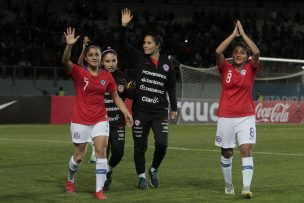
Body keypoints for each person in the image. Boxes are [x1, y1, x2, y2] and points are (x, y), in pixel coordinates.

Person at [62, 27, 133, 200]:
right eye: (91, 55)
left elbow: (115, 96)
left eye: (97, 55)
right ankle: (70, 180)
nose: (94, 57)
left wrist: (126, 112)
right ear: (86, 58)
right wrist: (69, 46)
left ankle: (99, 189)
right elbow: (65, 61)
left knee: (101, 151)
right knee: (79, 157)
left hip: (100, 119)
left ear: (100, 58)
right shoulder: (79, 73)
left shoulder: (107, 77)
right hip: (80, 120)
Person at [120, 8, 178, 190]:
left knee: (162, 143)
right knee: (140, 146)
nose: (144, 45)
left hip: (160, 111)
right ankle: (142, 176)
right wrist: (123, 27)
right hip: (140, 111)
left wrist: (174, 108)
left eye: (148, 42)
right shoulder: (139, 58)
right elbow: (124, 46)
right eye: (144, 42)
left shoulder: (167, 64)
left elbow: (171, 87)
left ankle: (154, 168)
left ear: (157, 45)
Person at [78, 39, 136, 191]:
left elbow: (134, 92)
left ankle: (108, 170)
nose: (111, 64)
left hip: (117, 123)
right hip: (101, 122)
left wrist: (128, 91)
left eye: (114, 60)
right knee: (103, 153)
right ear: (102, 62)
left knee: (119, 153)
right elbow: (80, 67)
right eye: (108, 61)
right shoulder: (96, 75)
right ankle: (102, 182)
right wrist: (84, 49)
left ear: (117, 61)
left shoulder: (123, 78)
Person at [214, 20, 260, 199]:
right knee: (227, 151)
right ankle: (228, 184)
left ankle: (246, 187)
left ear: (246, 56)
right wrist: (234, 35)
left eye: (242, 52)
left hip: (246, 116)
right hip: (226, 116)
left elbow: (256, 52)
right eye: (235, 52)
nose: (238, 54)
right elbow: (218, 51)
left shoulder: (251, 67)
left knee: (246, 150)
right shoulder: (225, 68)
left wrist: (243, 34)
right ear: (232, 55)